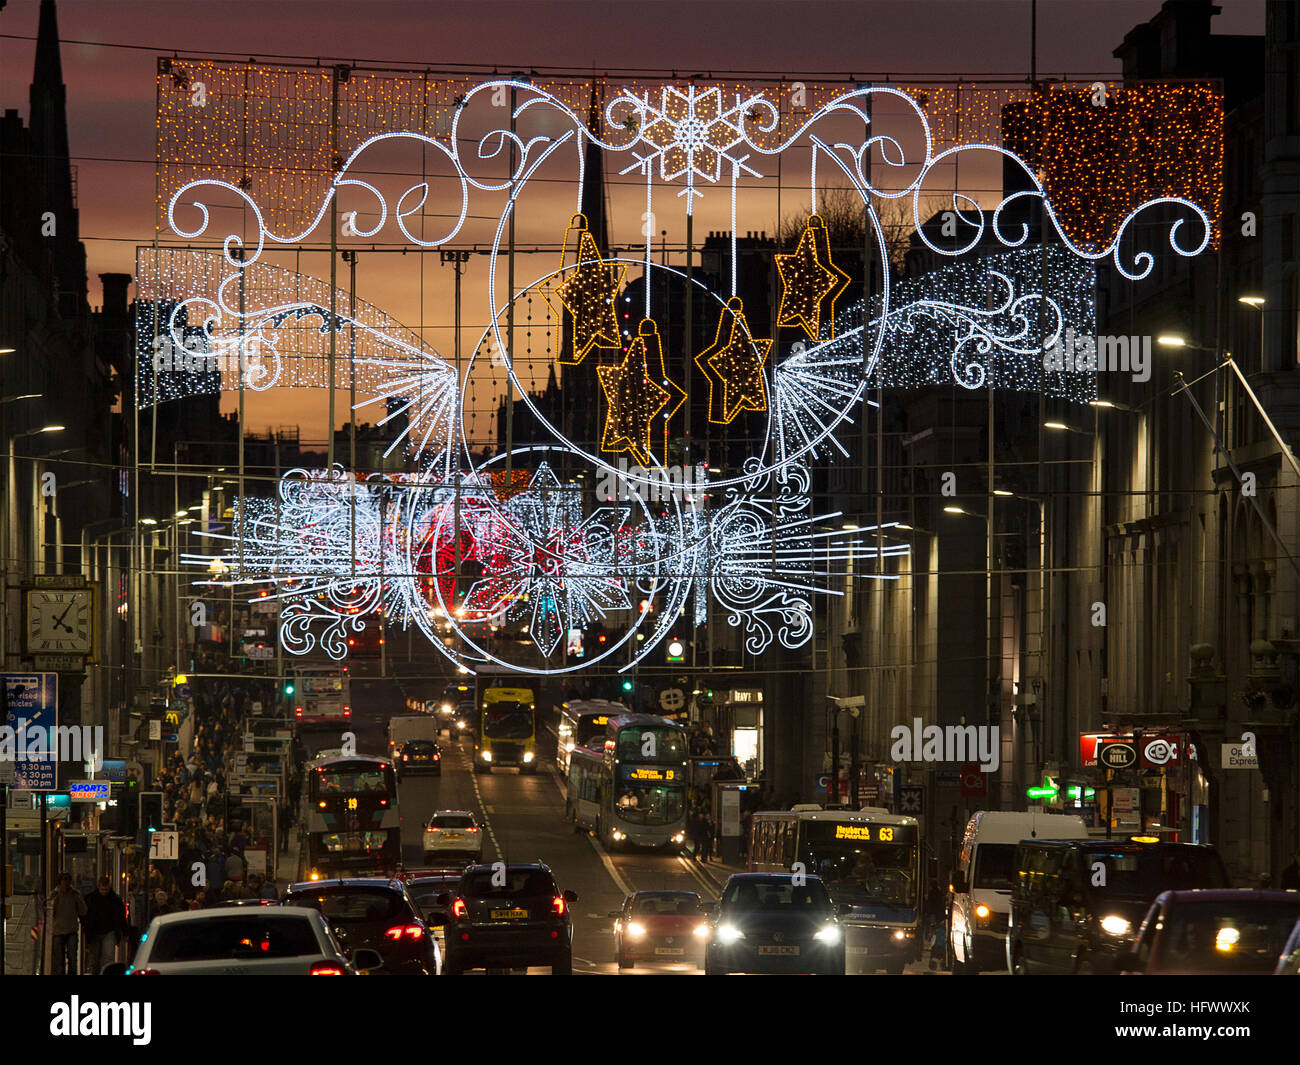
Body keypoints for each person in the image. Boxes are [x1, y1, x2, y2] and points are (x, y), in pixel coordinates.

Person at [82, 876, 127, 975]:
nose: (104, 892)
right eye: (103, 889)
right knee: (95, 959)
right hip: (95, 932)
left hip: (108, 931)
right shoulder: (91, 899)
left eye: (106, 889)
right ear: (99, 887)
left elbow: (121, 917)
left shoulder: (114, 899)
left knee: (107, 959)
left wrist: (124, 931)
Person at [49, 872, 87, 975]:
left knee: (72, 957)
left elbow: (83, 911)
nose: (66, 883)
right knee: (59, 959)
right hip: (58, 931)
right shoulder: (54, 895)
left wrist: (77, 899)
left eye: (68, 880)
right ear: (60, 882)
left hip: (71, 930)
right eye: (64, 880)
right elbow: (50, 912)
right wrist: (54, 901)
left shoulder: (74, 894)